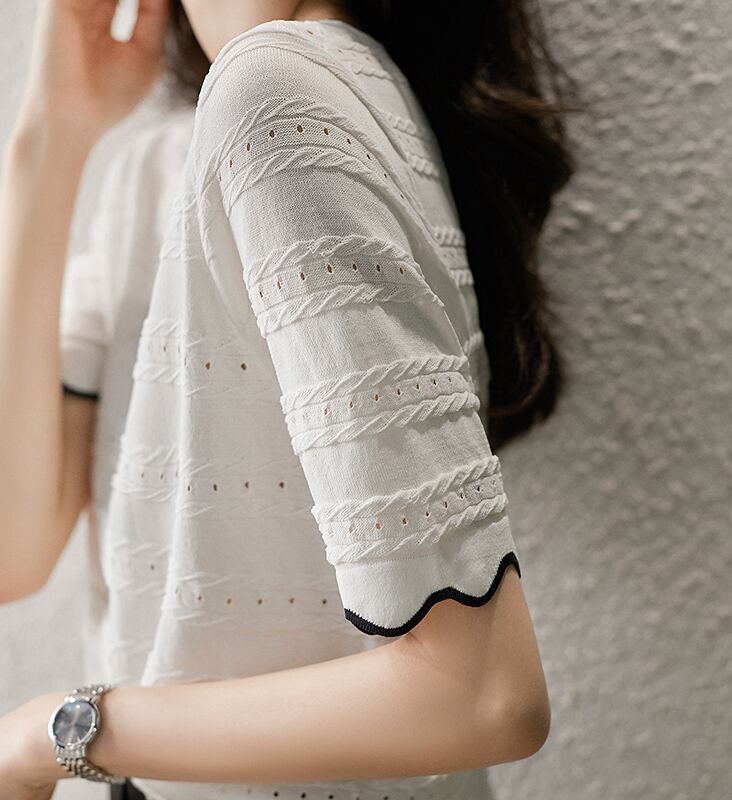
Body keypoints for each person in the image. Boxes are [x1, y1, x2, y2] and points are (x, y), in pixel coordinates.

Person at [0, 1, 576, 798]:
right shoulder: (170, 160)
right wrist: (49, 138)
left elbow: (482, 695)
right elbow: (15, 549)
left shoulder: (276, 92)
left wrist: (60, 731)